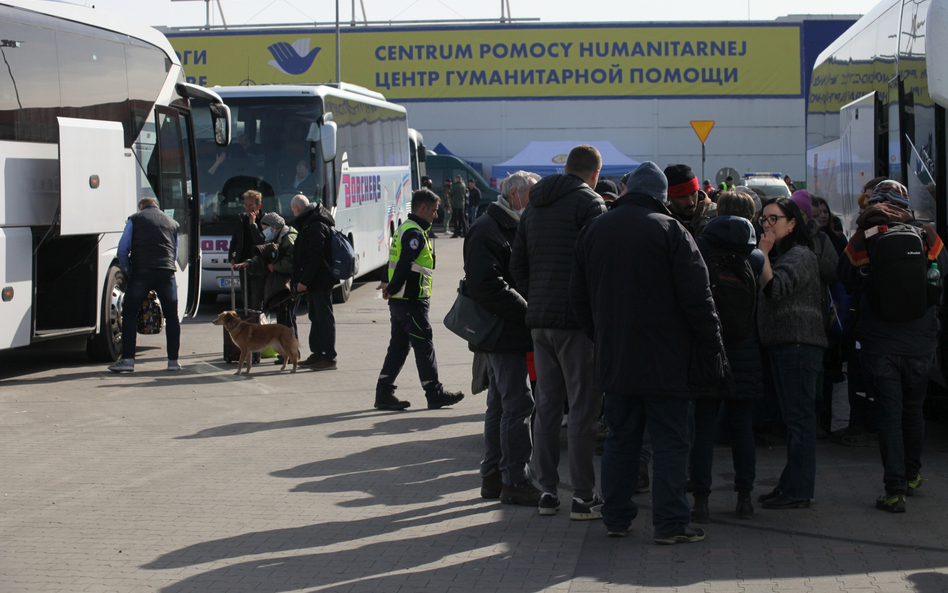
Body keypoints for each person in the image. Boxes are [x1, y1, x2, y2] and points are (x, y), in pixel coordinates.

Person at [570, 162, 726, 543]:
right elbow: (698, 299)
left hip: (616, 359)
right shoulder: (671, 230)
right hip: (667, 361)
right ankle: (671, 523)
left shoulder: (594, 230)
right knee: (671, 442)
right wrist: (713, 348)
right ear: (661, 196)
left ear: (626, 191)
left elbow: (576, 300)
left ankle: (616, 518)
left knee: (622, 440)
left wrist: (603, 336)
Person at [837, 180, 947, 513]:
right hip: (921, 340)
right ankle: (912, 476)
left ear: (874, 203)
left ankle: (894, 489)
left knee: (888, 413)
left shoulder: (864, 237)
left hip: (879, 341)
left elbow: (843, 275)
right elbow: (942, 275)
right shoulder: (928, 235)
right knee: (913, 410)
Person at [510, 144, 606, 520]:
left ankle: (547, 491)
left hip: (540, 322)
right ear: (594, 174)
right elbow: (599, 266)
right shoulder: (591, 205)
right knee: (583, 409)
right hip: (576, 324)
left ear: (566, 168)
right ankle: (583, 496)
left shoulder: (534, 206)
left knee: (547, 406)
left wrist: (538, 295)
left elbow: (516, 264)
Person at [465, 170, 541, 506]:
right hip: (502, 331)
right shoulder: (489, 229)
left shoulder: (505, 225)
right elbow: (489, 287)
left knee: (500, 402)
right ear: (514, 196)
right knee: (518, 403)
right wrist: (528, 311)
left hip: (504, 330)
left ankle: (494, 474)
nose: (534, 203)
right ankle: (514, 478)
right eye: (532, 196)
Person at [689, 191, 764, 522]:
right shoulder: (756, 258)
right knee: (742, 428)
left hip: (709, 348)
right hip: (745, 349)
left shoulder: (701, 250)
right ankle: (745, 497)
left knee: (702, 429)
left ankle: (701, 500)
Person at [756, 198, 827, 509]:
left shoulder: (799, 255)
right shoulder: (786, 253)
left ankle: (799, 489)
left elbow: (775, 290)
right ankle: (791, 483)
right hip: (784, 343)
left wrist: (764, 255)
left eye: (774, 218)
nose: (767, 224)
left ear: (792, 223)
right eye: (764, 219)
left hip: (799, 344)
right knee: (792, 419)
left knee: (799, 420)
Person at [375, 189, 465, 411]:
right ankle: (434, 393)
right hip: (411, 302)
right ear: (422, 208)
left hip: (400, 301)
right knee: (423, 345)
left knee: (398, 346)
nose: (436, 215)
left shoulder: (404, 228)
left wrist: (388, 285)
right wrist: (392, 287)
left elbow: (392, 261)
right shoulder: (414, 233)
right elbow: (404, 263)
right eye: (434, 211)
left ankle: (384, 392)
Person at [108, 197, 182, 373]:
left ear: (141, 206)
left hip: (142, 270)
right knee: (172, 316)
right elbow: (175, 252)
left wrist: (127, 271)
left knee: (130, 313)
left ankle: (127, 360)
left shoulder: (135, 219)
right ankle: (173, 361)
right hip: (166, 272)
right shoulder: (173, 223)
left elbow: (123, 249)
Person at [233, 212, 299, 345]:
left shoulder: (289, 238)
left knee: (287, 320)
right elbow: (262, 256)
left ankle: (291, 351)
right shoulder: (274, 238)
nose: (265, 233)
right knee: (282, 319)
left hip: (291, 286)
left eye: (265, 229)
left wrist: (275, 266)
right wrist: (249, 263)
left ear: (274, 227)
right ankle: (285, 352)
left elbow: (293, 262)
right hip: (281, 285)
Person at [291, 194, 338, 371]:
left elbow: (316, 257)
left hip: (320, 281)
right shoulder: (310, 222)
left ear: (297, 208)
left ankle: (329, 357)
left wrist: (304, 280)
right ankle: (317, 354)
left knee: (324, 318)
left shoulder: (315, 224)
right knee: (315, 317)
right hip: (315, 281)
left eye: (293, 209)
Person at [230, 189, 267, 310]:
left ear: (258, 205)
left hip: (257, 263)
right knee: (246, 295)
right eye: (246, 205)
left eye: (251, 205)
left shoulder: (265, 220)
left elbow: (262, 242)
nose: (247, 208)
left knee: (257, 297)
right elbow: (235, 239)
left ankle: (258, 322)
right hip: (243, 261)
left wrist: (253, 225)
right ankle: (248, 321)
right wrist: (232, 257)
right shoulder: (241, 219)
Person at [664, 164, 715, 237]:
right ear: (669, 197)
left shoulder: (713, 214)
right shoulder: (661, 221)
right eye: (682, 197)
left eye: (693, 193)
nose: (691, 202)